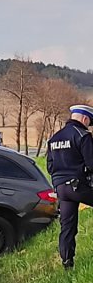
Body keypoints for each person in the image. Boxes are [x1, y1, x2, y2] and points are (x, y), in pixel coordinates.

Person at [47, 104, 93, 270]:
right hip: (79, 186)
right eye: (89, 122)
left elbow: (50, 167)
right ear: (84, 118)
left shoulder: (54, 139)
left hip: (61, 190)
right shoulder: (82, 135)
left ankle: (67, 263)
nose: (89, 125)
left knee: (67, 227)